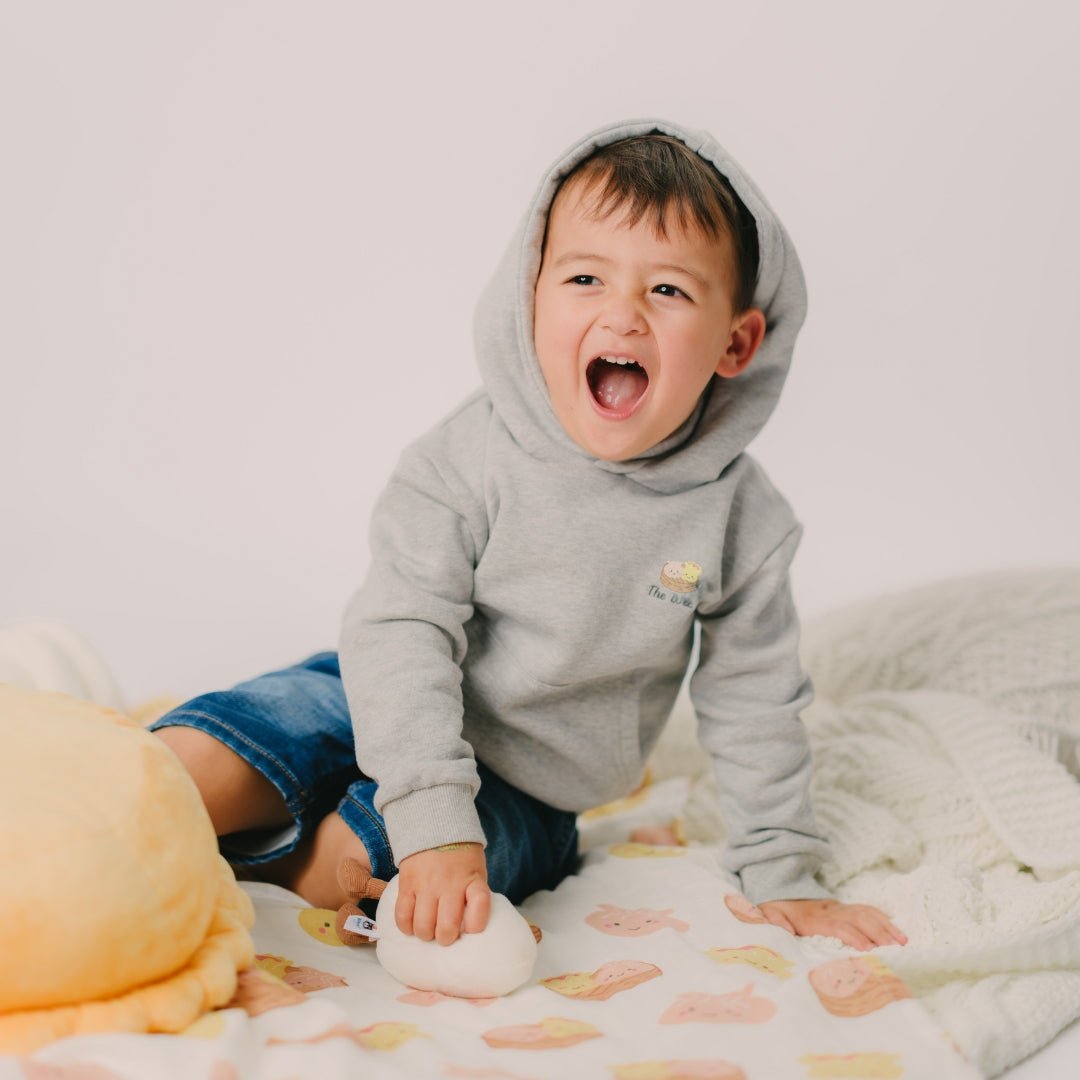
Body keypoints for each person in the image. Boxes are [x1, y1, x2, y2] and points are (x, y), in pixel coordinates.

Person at [153, 119, 907, 953]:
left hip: (530, 788)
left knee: (368, 873)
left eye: (668, 291)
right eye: (585, 277)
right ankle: (110, 822)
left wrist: (783, 870)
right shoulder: (465, 460)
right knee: (198, 760)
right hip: (377, 693)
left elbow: (756, 701)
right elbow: (400, 631)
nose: (622, 314)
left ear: (736, 342)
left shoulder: (742, 522)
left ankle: (234, 876)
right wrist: (430, 807)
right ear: (530, 298)